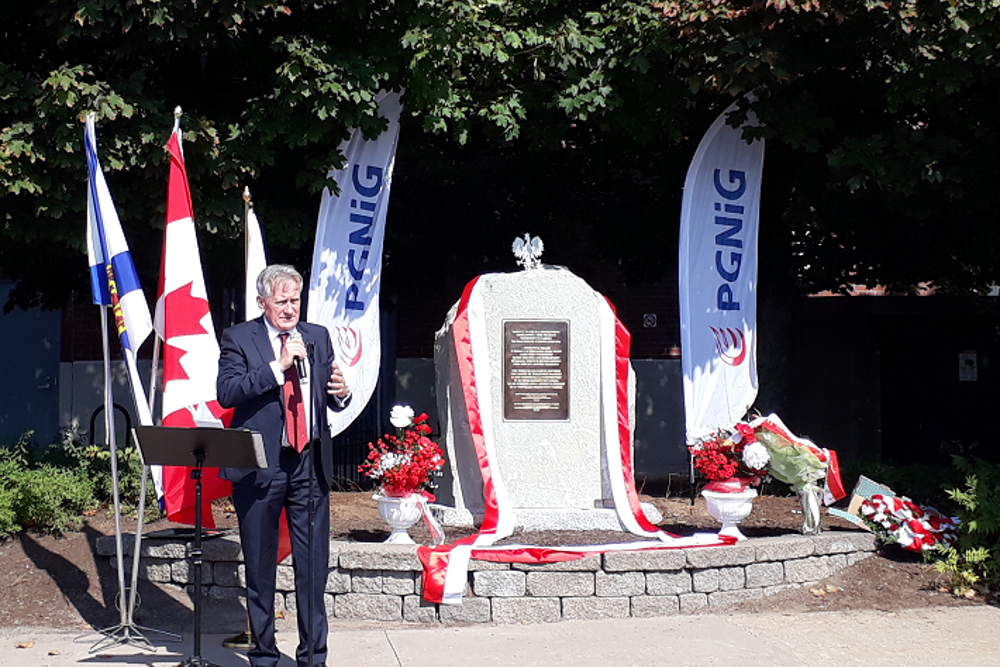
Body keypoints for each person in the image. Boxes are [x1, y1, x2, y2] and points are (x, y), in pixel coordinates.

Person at [217, 264, 349, 667]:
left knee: (313, 569)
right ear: (262, 302)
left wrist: (341, 393)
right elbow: (227, 392)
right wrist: (279, 367)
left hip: (308, 464)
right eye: (281, 302)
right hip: (260, 467)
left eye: (295, 300)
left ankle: (313, 657)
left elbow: (327, 396)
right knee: (260, 569)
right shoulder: (239, 338)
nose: (290, 309)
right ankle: (263, 655)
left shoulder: (317, 336)